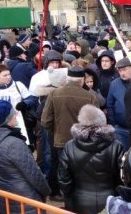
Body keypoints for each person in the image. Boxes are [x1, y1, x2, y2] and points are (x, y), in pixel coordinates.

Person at [40, 66, 100, 198]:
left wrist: (56, 131)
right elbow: (96, 123)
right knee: (80, 170)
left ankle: (59, 194)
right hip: (83, 141)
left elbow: (45, 121)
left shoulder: (54, 94)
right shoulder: (90, 96)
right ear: (82, 80)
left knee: (61, 169)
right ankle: (77, 197)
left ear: (68, 79)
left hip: (60, 139)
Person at [58, 105, 124, 214]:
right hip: (110, 201)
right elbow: (123, 177)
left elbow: (63, 178)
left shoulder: (70, 146)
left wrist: (69, 197)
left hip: (80, 201)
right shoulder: (116, 146)